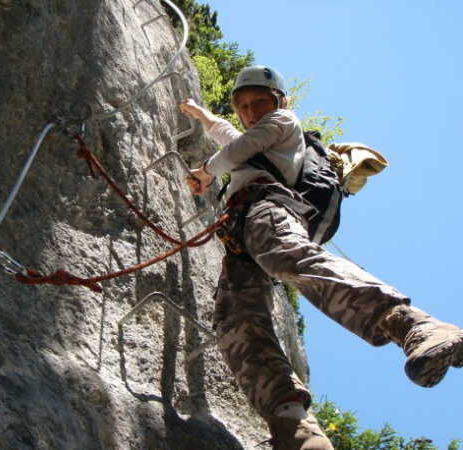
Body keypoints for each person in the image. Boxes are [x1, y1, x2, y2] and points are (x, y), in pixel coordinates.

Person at [179, 65, 463, 449]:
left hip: (269, 209)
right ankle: (294, 426)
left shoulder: (283, 122)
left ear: (279, 100)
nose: (250, 111)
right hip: (241, 237)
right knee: (235, 319)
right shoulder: (258, 139)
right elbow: (230, 136)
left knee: (288, 256)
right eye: (243, 105)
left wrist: (207, 172)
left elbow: (238, 148)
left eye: (259, 100)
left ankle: (416, 327)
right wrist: (205, 117)